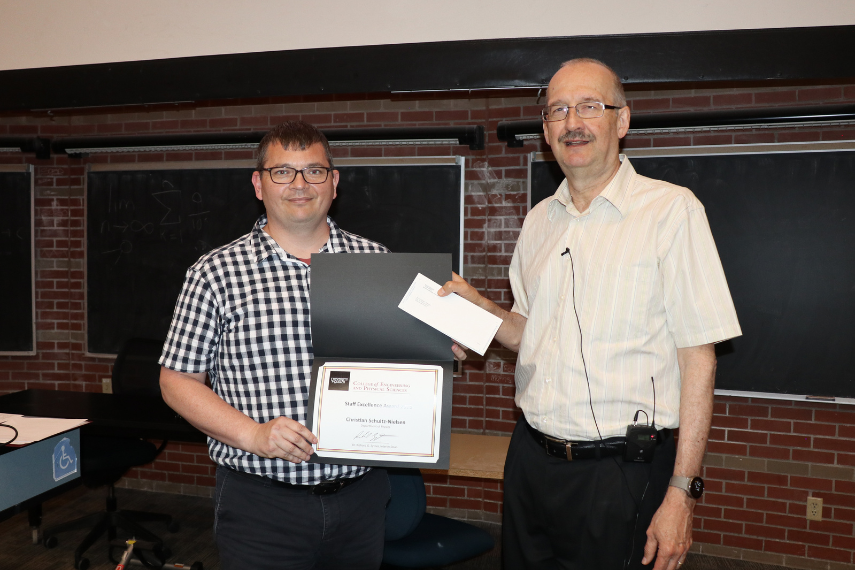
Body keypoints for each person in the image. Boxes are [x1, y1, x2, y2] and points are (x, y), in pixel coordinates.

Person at [441, 59, 741, 570]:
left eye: (588, 107)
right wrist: (484, 312)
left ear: (622, 122)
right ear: (545, 131)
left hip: (622, 474)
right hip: (530, 463)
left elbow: (699, 361)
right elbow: (530, 334)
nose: (571, 122)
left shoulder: (672, 212)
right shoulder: (539, 221)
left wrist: (681, 493)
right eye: (558, 110)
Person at [159, 121, 391, 570]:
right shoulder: (215, 273)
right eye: (283, 172)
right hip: (261, 506)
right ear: (258, 184)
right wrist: (254, 435)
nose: (300, 184)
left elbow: (399, 365)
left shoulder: (376, 262)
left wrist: (437, 353)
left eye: (314, 171)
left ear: (335, 181)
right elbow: (175, 381)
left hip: (361, 500)